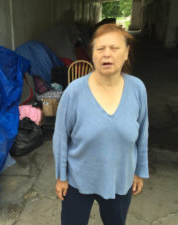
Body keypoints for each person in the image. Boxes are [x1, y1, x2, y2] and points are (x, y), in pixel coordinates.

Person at [53, 23, 149, 225]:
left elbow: (142, 133)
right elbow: (61, 137)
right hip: (78, 180)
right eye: (100, 49)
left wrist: (140, 171)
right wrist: (62, 177)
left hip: (120, 179)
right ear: (92, 54)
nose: (107, 54)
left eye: (114, 48)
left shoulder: (137, 89)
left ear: (126, 53)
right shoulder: (74, 92)